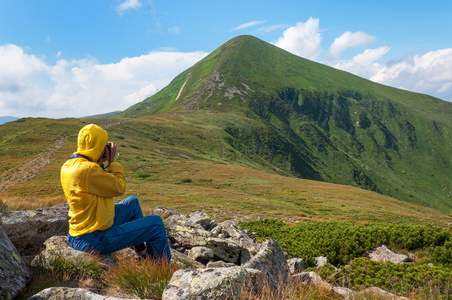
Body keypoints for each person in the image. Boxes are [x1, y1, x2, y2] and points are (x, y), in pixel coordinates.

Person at [60, 124, 171, 261]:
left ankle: (141, 252)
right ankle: (159, 269)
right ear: (96, 146)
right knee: (156, 224)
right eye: (102, 144)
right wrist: (112, 161)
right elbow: (118, 187)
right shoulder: (89, 170)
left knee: (132, 203)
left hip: (83, 231)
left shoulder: (69, 165)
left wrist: (99, 160)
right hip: (94, 238)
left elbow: (97, 181)